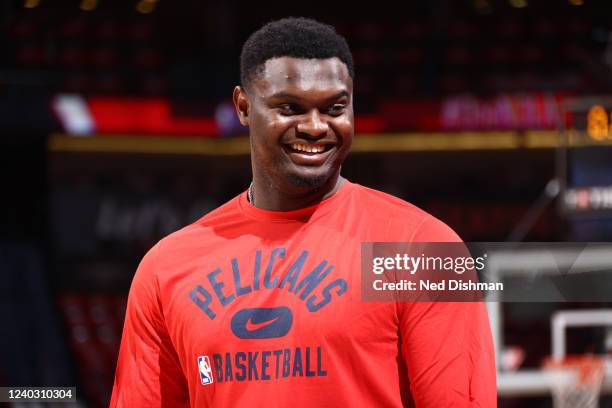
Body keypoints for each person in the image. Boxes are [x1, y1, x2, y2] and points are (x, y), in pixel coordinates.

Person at [110, 17, 496, 407]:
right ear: (243, 107)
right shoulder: (166, 267)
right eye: (290, 107)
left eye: (334, 108)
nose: (315, 126)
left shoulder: (422, 248)